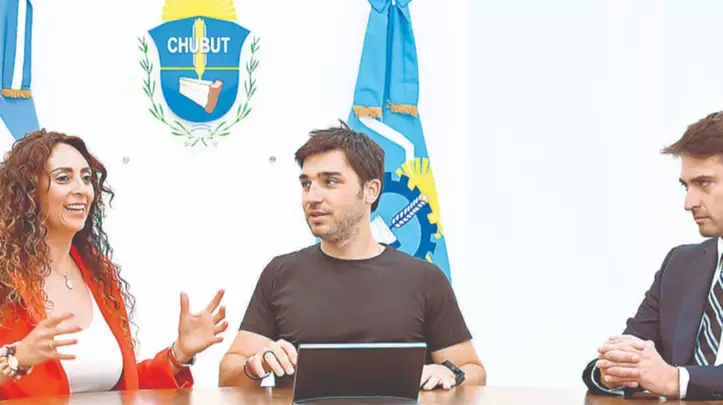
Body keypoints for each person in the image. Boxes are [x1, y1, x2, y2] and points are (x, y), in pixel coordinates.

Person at [218, 121, 485, 390]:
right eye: (306, 184)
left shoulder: (425, 279)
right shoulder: (280, 274)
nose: (312, 197)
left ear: (371, 190)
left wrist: (450, 372)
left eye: (330, 182)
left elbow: (473, 371)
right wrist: (254, 366)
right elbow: (228, 376)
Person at [0, 130, 229, 400]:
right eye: (63, 178)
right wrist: (15, 359)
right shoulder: (5, 278)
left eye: (86, 178)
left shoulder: (99, 274)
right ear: (29, 192)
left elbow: (122, 389)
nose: (81, 189)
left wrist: (178, 354)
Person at [582, 111, 723, 400]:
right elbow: (631, 353)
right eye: (686, 186)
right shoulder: (680, 265)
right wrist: (613, 371)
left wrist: (677, 380)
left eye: (704, 183)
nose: (688, 203)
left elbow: (668, 378)